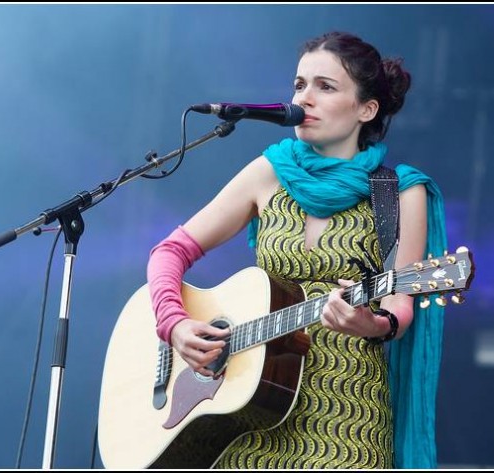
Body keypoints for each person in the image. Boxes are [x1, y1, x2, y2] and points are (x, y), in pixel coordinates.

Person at [147, 31, 447, 469]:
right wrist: (173, 324)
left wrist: (373, 324)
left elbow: (401, 304)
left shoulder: (399, 192)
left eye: (325, 86)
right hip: (247, 414)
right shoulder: (269, 172)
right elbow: (169, 252)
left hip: (346, 417)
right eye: (300, 84)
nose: (305, 97)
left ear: (367, 109)